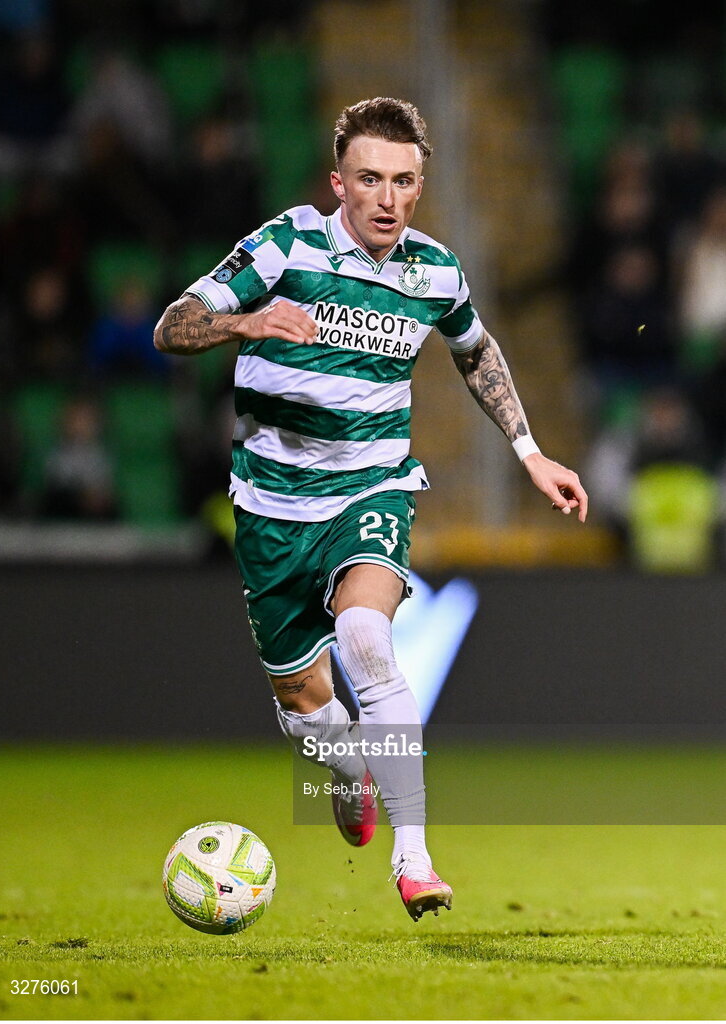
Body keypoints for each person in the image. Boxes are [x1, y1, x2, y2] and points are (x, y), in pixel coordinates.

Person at [154, 97, 588, 921]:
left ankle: (415, 859)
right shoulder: (285, 245)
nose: (387, 199)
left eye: (404, 182)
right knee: (303, 702)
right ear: (338, 184)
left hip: (371, 486)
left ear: (420, 186)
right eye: (369, 180)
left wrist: (530, 453)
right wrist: (249, 321)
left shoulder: (434, 271)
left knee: (365, 637)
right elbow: (172, 328)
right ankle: (348, 770)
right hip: (272, 505)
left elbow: (477, 350)